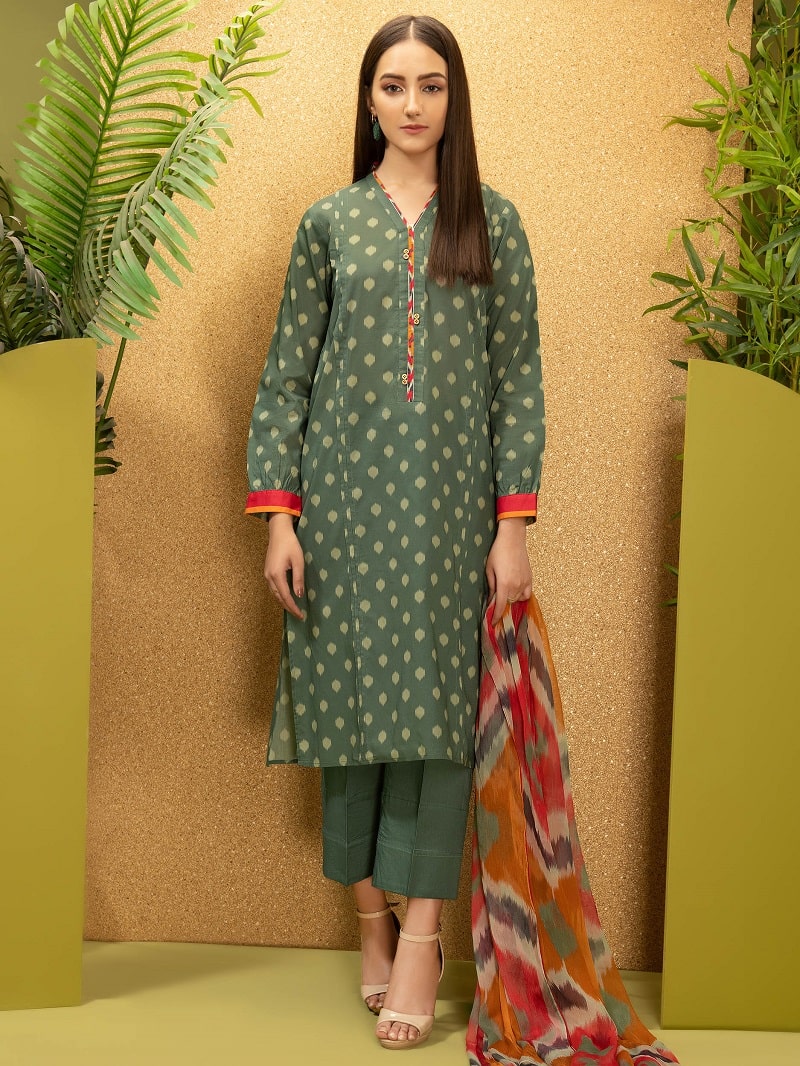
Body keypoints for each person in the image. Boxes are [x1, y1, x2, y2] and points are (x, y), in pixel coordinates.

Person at [246, 13, 544, 1051]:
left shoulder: (492, 224)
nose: (411, 104)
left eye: (430, 85)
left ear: (452, 99)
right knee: (350, 716)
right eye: (392, 86)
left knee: (438, 725)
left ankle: (421, 939)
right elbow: (285, 377)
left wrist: (512, 526)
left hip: (453, 519)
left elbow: (517, 381)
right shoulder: (329, 223)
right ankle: (370, 919)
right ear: (368, 102)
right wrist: (279, 519)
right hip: (338, 514)